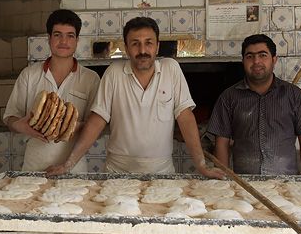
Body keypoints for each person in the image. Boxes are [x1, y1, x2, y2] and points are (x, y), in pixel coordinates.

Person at [47, 17, 225, 178]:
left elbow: (185, 117)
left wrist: (201, 165)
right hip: (117, 173)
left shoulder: (171, 70)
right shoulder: (114, 73)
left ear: (157, 46)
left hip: (161, 174)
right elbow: (97, 121)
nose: (142, 50)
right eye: (135, 44)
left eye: (148, 43)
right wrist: (69, 164)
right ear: (126, 48)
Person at [207, 34, 301, 175]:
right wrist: (225, 180)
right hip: (244, 183)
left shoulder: (293, 95)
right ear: (243, 61)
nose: (256, 61)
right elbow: (221, 143)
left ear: (274, 60)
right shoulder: (228, 98)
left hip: (286, 182)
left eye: (263, 55)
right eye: (250, 56)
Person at [3, 9, 100, 173]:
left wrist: (70, 126)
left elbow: (95, 124)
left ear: (77, 40)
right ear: (49, 39)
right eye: (57, 35)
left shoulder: (91, 79)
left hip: (74, 169)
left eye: (70, 35)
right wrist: (21, 125)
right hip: (34, 166)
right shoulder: (29, 75)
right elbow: (10, 118)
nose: (64, 41)